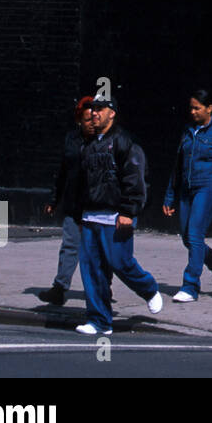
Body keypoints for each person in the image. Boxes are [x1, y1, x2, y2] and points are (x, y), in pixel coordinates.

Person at [75, 97, 163, 335]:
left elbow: (135, 178)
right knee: (92, 270)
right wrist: (78, 215)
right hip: (91, 215)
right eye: (93, 109)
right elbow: (80, 182)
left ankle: (149, 288)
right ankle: (99, 321)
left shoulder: (124, 142)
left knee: (121, 263)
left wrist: (127, 211)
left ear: (112, 113)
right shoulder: (87, 144)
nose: (95, 113)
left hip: (115, 216)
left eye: (100, 109)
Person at [162, 89, 212, 301]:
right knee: (188, 238)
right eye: (191, 108)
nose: (193, 112)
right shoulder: (188, 131)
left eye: (197, 108)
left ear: (209, 108)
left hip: (208, 189)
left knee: (195, 235)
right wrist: (169, 196)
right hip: (187, 190)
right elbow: (177, 166)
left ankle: (190, 286)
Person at [38, 96, 97, 306]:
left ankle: (101, 290)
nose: (91, 123)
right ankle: (60, 288)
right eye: (87, 119)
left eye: (94, 118)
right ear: (79, 120)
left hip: (96, 205)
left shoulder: (104, 142)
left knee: (97, 251)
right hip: (73, 203)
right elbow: (63, 171)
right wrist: (54, 200)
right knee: (70, 245)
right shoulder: (71, 140)